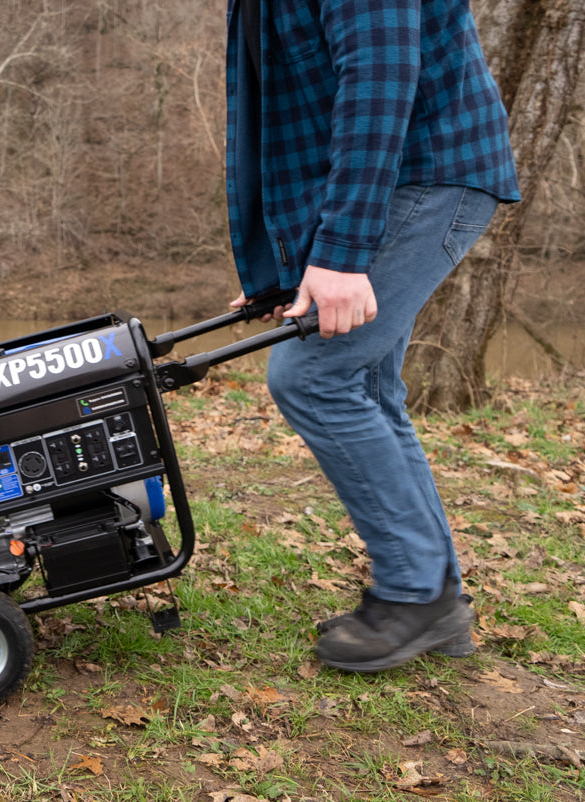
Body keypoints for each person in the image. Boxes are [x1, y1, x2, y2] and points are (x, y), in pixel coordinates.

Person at [223, 0, 521, 671]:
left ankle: (416, 596)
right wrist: (291, 260)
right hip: (393, 181)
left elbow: (378, 83)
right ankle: (435, 600)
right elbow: (286, 110)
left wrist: (339, 253)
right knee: (368, 385)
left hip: (426, 169)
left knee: (314, 376)